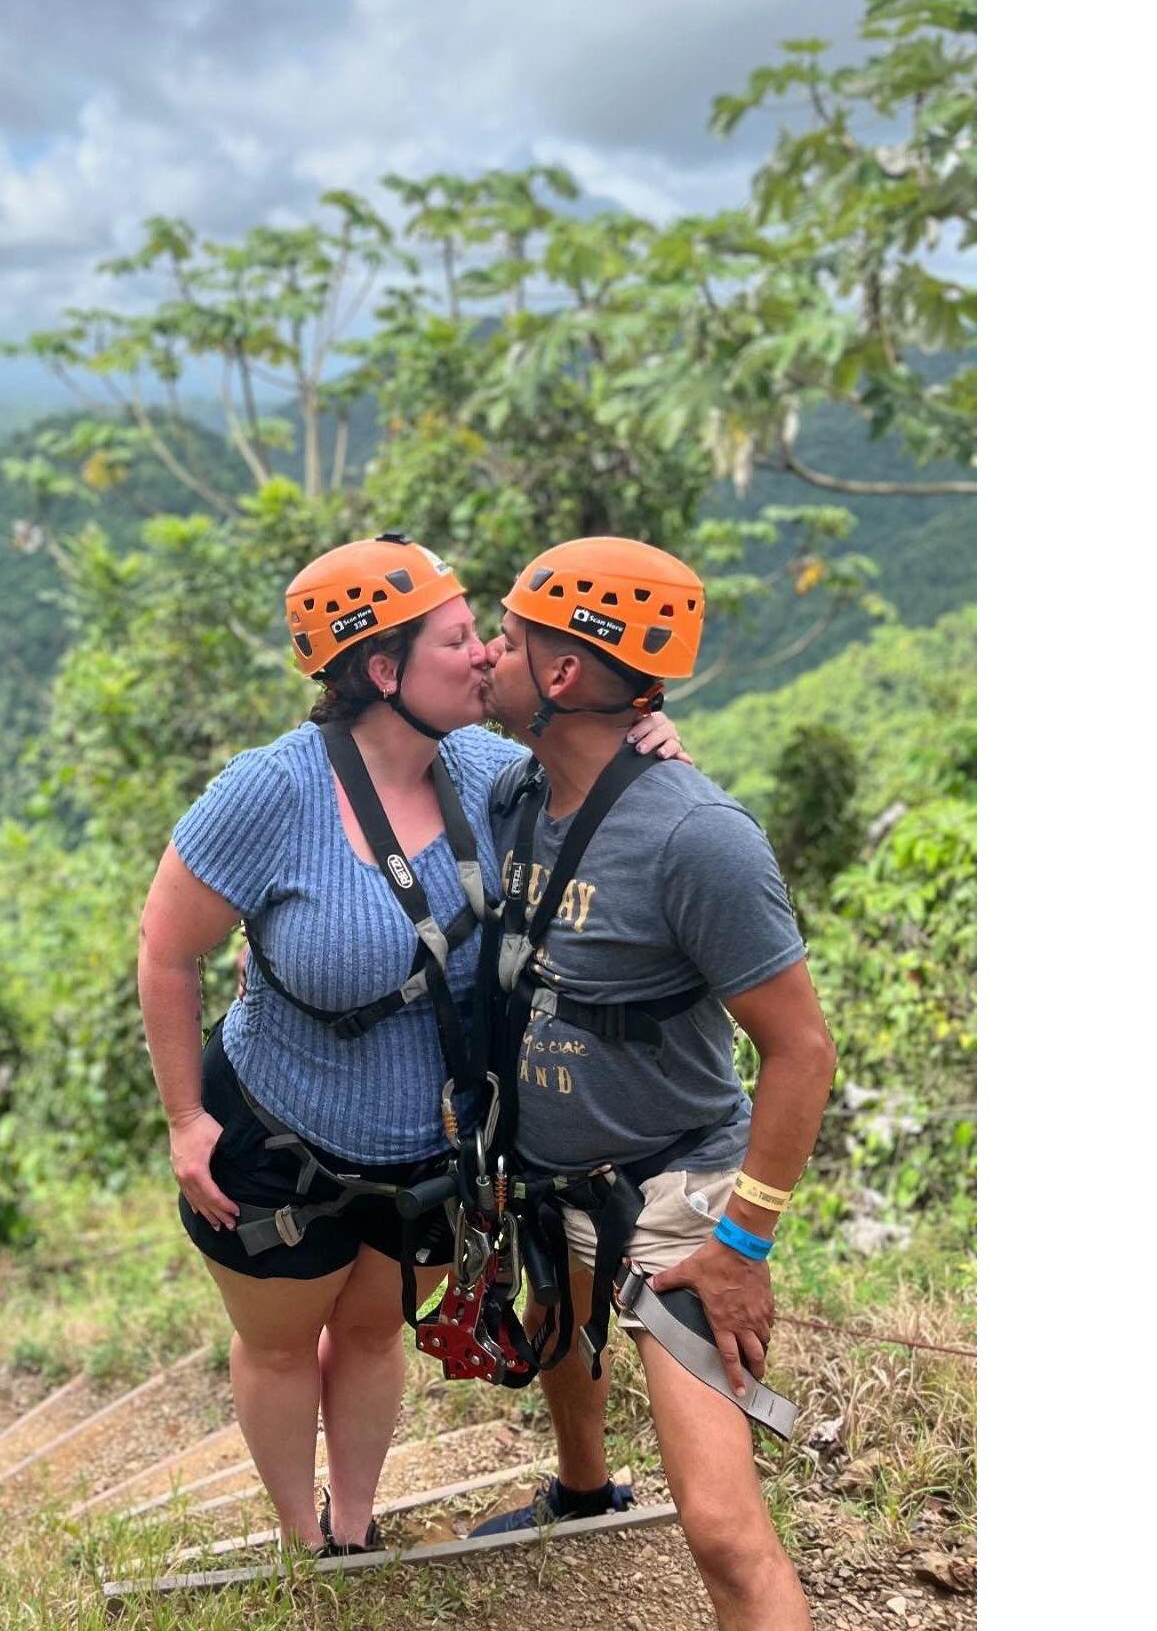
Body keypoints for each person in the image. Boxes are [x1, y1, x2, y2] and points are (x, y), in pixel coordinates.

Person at [136, 533, 683, 1554]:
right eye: (458, 638)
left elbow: (608, 800)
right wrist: (183, 1118)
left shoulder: (493, 773)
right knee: (282, 1346)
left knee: (373, 1330)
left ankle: (354, 1526)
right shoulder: (272, 792)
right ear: (383, 672)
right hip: (278, 1140)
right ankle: (304, 1543)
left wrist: (647, 735)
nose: (486, 655)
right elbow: (167, 951)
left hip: (431, 1153)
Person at [466, 536, 835, 1631]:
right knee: (559, 1318)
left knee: (719, 1528)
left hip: (676, 1186)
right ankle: (584, 1490)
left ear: (562, 672)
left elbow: (802, 1050)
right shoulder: (513, 790)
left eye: (507, 639)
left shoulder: (696, 837)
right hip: (556, 1170)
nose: (486, 653)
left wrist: (743, 1245)